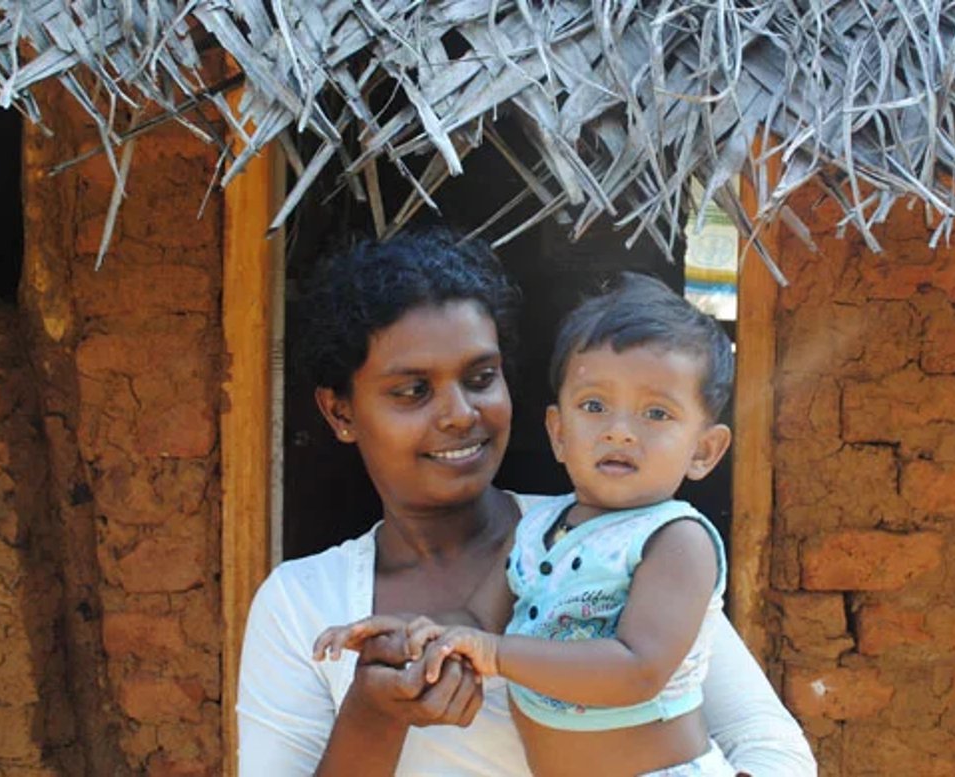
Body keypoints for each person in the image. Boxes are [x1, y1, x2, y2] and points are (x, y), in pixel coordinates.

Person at [236, 230, 815, 776]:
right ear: (340, 413)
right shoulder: (303, 606)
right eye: (413, 390)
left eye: (481, 377)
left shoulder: (613, 539)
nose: (461, 412)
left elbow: (770, 746)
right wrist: (373, 711)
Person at [314, 273, 740, 775]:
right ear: (558, 433)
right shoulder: (538, 530)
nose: (620, 432)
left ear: (704, 451)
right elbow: (476, 623)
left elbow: (637, 669)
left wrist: (495, 654)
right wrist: (412, 632)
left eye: (656, 413)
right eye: (595, 406)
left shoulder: (675, 541)